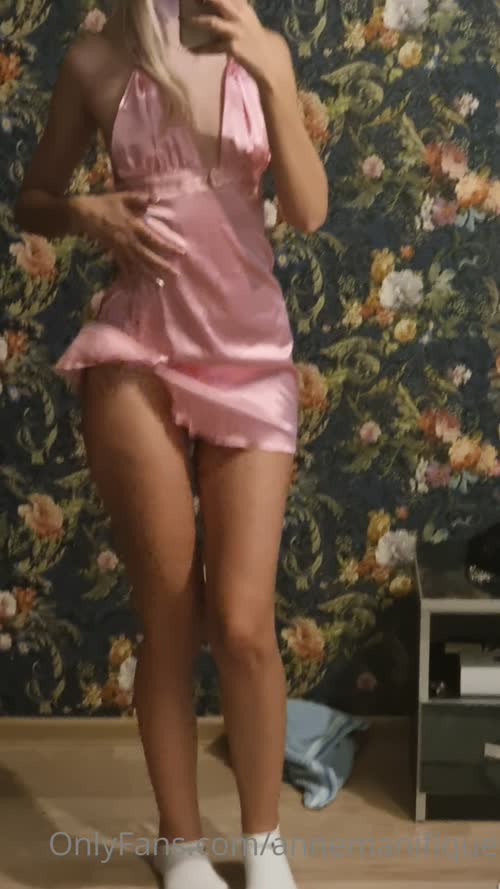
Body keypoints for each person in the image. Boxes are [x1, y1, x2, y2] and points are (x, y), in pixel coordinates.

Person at [15, 1, 328, 887]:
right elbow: (33, 201)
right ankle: (180, 842)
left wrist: (276, 78)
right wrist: (85, 214)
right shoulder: (96, 62)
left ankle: (262, 842)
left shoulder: (263, 53)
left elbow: (308, 210)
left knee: (244, 623)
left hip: (251, 359)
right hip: (137, 351)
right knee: (170, 615)